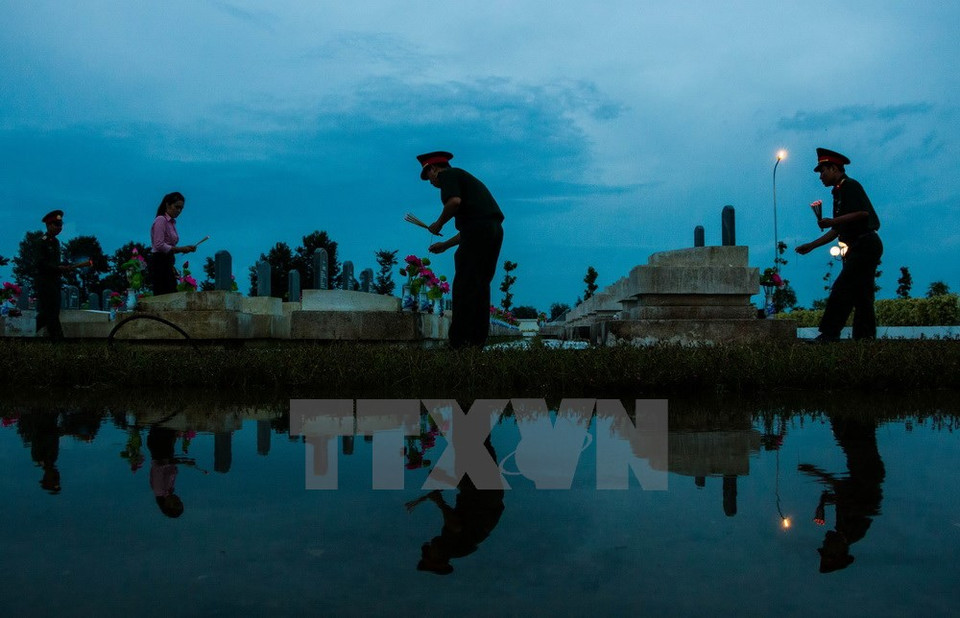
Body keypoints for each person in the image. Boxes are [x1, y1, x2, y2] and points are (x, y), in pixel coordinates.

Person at [419, 151, 505, 349]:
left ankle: (459, 341)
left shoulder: (447, 175)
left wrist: (439, 223)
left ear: (433, 169)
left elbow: (454, 202)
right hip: (493, 231)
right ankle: (476, 341)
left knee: (464, 286)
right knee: (480, 286)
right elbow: (473, 227)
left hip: (479, 231)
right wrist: (445, 245)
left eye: (428, 176)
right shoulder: (464, 178)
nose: (431, 182)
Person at [796, 148, 882, 342]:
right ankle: (865, 337)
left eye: (823, 171)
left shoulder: (850, 186)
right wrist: (812, 245)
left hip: (865, 244)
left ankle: (829, 333)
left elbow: (863, 213)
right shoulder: (838, 192)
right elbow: (837, 230)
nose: (821, 177)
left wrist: (833, 221)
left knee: (843, 287)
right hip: (860, 245)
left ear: (834, 168)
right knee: (862, 294)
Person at [149, 191, 195, 295]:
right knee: (163, 292)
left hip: (168, 260)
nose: (179, 211)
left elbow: (169, 247)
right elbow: (159, 244)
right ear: (168, 205)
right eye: (176, 207)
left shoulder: (171, 223)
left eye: (181, 208)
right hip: (159, 261)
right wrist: (181, 249)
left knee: (171, 291)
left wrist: (184, 249)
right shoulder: (161, 220)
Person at [35, 210, 69, 340]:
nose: (59, 228)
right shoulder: (41, 242)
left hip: (54, 281)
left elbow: (55, 262)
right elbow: (40, 263)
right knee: (50, 313)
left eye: (60, 225)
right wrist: (57, 268)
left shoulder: (55, 242)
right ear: (49, 225)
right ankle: (58, 340)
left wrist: (62, 268)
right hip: (44, 281)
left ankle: (26, 333)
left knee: (50, 312)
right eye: (56, 224)